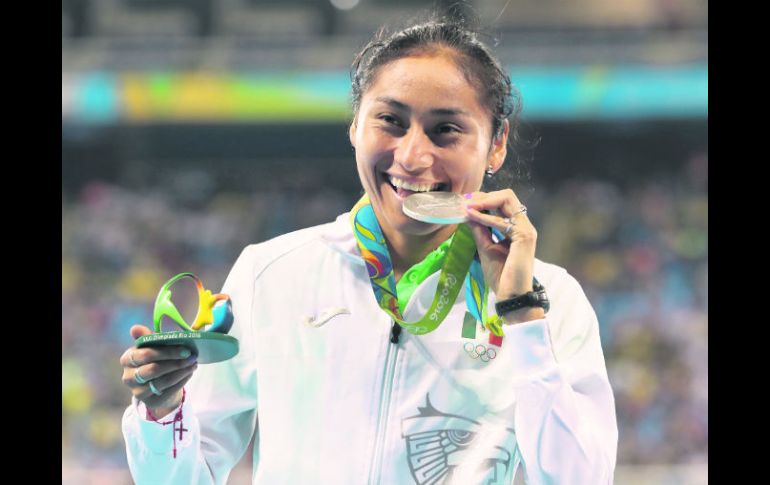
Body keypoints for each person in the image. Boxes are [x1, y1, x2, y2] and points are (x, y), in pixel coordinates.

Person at [120, 14, 618, 485]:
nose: (411, 156)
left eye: (446, 129)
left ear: (496, 144)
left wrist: (520, 314)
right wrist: (162, 415)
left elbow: (579, 476)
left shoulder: (550, 301)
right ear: (355, 125)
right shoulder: (270, 274)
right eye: (391, 121)